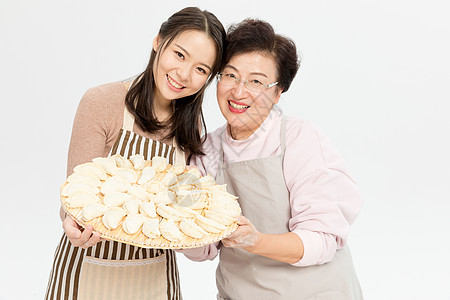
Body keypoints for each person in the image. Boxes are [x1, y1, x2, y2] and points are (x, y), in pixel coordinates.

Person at [45, 7, 226, 300]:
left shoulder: (188, 127)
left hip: (155, 280)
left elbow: (182, 211)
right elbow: (74, 196)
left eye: (201, 69)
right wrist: (72, 223)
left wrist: (209, 225)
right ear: (158, 40)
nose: (183, 74)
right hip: (88, 272)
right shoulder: (102, 102)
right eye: (179, 55)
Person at [183, 19, 364, 299]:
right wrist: (178, 225)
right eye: (230, 75)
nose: (239, 92)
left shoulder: (299, 139)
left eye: (256, 81)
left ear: (278, 92)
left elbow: (323, 239)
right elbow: (203, 249)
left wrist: (255, 240)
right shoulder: (207, 150)